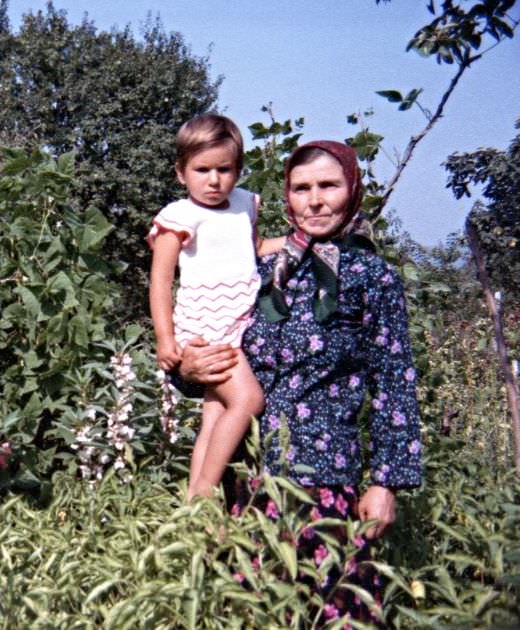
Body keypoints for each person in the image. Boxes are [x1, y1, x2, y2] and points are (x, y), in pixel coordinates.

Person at [175, 140, 423, 623]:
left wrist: (387, 483)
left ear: (352, 188)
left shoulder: (372, 276)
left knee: (329, 612)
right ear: (286, 196)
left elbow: (395, 381)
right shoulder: (260, 271)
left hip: (327, 482)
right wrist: (186, 369)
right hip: (245, 482)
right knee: (248, 612)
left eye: (328, 185)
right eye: (301, 188)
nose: (315, 200)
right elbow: (213, 353)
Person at [147, 114, 284, 501]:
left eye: (224, 169)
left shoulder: (245, 204)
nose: (213, 180)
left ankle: (194, 499)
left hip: (238, 322)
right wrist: (165, 338)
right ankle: (206, 492)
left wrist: (296, 241)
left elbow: (255, 249)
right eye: (201, 169)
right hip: (206, 328)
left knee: (215, 414)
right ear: (181, 172)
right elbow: (160, 280)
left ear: (238, 170)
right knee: (248, 400)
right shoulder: (179, 216)